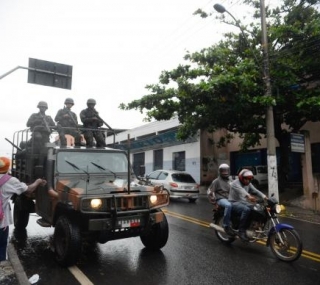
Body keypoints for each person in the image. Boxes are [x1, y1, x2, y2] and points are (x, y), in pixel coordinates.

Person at [0, 157, 46, 263]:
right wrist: (38, 181)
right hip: (1, 222)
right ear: (7, 168)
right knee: (1, 247)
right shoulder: (9, 180)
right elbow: (28, 189)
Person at [229, 168, 267, 241]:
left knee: (256, 208)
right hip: (234, 202)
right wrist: (249, 196)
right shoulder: (235, 183)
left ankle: (253, 226)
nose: (247, 181)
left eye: (249, 179)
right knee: (246, 209)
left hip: (243, 202)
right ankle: (241, 230)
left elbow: (255, 190)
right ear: (241, 178)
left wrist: (264, 196)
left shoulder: (248, 183)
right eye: (246, 179)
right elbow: (242, 191)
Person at [207, 163, 233, 235]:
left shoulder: (230, 180)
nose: (225, 172)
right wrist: (214, 203)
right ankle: (226, 225)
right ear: (220, 171)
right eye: (223, 171)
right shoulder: (216, 181)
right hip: (221, 199)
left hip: (230, 198)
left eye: (226, 170)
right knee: (228, 205)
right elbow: (210, 192)